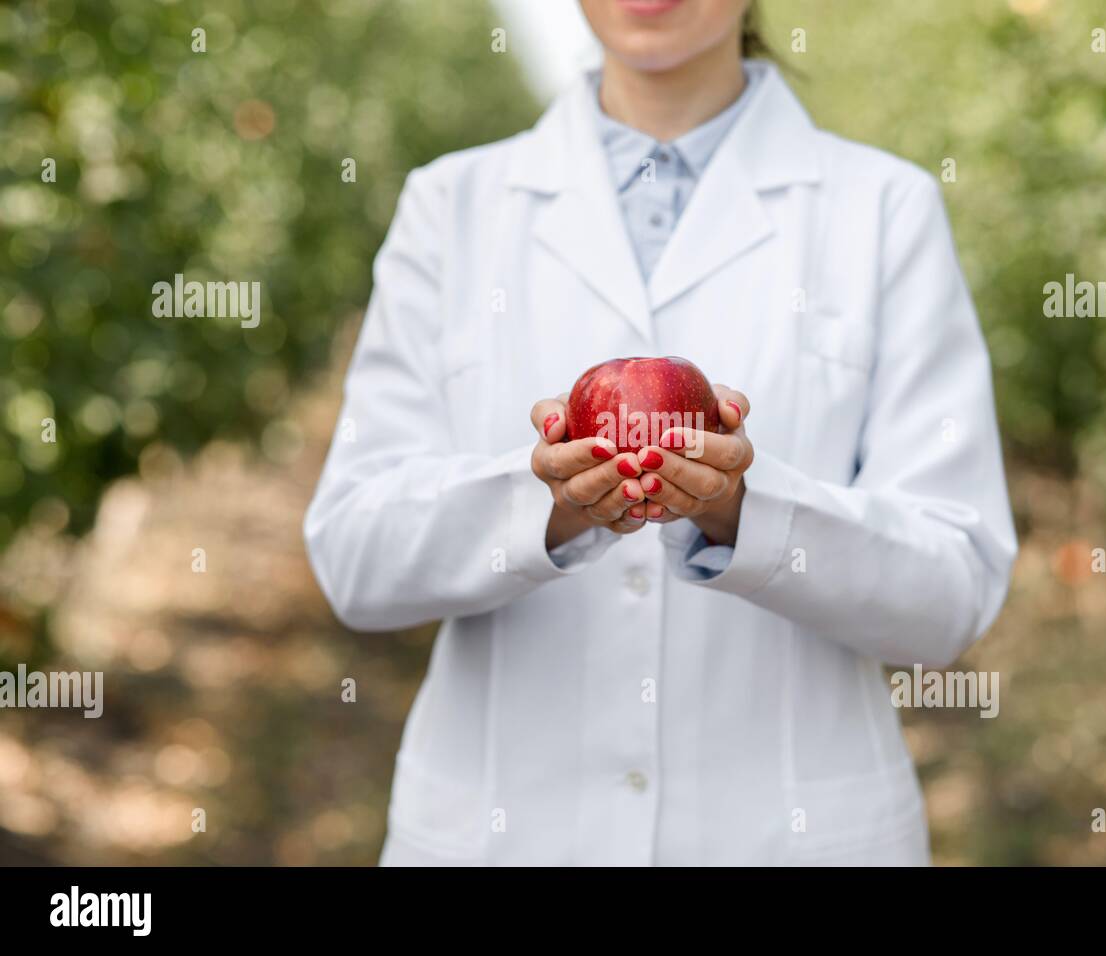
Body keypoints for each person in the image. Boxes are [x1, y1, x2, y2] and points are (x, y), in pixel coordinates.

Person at [304, 0, 1017, 866]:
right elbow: (354, 555)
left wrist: (748, 515)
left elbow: (951, 591)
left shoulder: (885, 209)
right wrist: (546, 506)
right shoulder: (450, 206)